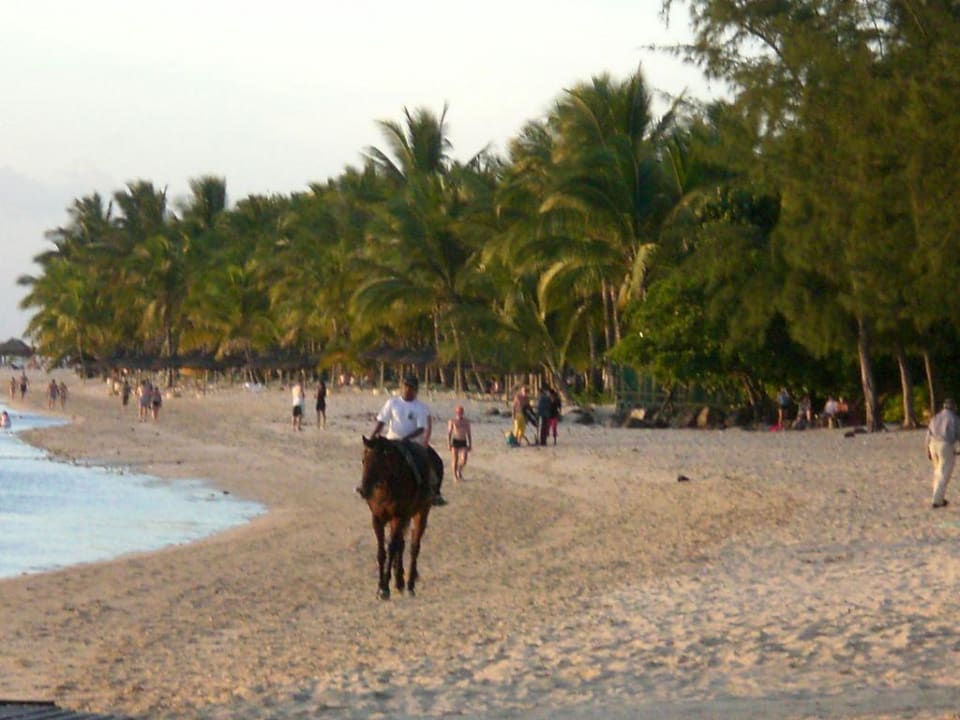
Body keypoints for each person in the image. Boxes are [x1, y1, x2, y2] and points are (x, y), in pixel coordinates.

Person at [361, 374, 446, 506]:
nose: (407, 389)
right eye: (405, 386)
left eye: (411, 387)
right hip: (391, 440)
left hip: (412, 443)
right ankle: (366, 486)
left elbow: (421, 428)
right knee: (371, 459)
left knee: (434, 461)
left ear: (416, 390)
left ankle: (433, 491)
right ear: (401, 387)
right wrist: (372, 437)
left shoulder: (420, 407)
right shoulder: (392, 403)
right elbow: (381, 421)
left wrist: (406, 438)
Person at [927, 398, 959, 509]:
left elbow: (929, 433)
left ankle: (938, 497)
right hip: (945, 445)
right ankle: (937, 500)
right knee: (944, 473)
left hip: (932, 445)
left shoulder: (936, 417)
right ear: (953, 407)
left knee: (937, 472)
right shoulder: (954, 418)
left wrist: (928, 449)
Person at [447, 405, 472, 481]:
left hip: (463, 441)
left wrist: (470, 444)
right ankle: (455, 476)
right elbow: (449, 433)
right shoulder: (452, 421)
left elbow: (469, 433)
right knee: (455, 459)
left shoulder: (466, 421)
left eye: (461, 412)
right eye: (458, 412)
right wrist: (448, 443)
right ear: (456, 412)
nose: (460, 413)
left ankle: (459, 470)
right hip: (455, 441)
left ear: (463, 412)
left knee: (464, 459)